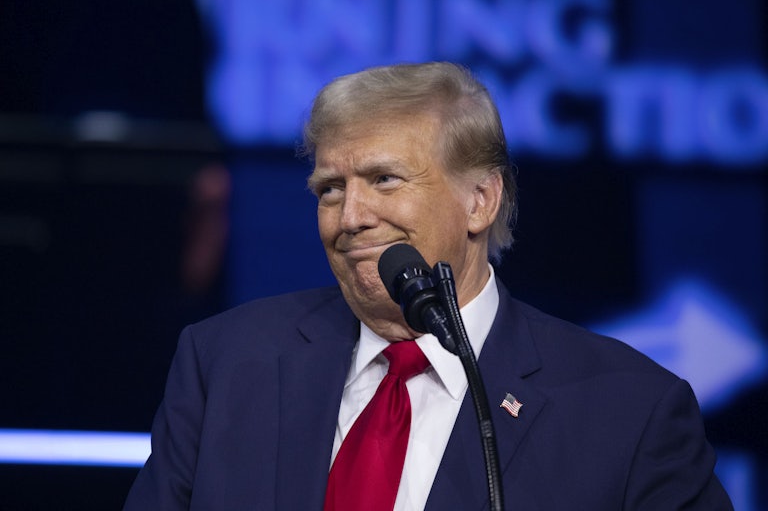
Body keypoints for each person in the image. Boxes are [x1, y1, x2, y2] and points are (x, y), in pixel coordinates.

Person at [124, 62, 733, 510]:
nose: (350, 216)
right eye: (330, 188)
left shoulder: (630, 412)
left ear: (480, 200)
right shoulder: (225, 362)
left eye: (384, 180)